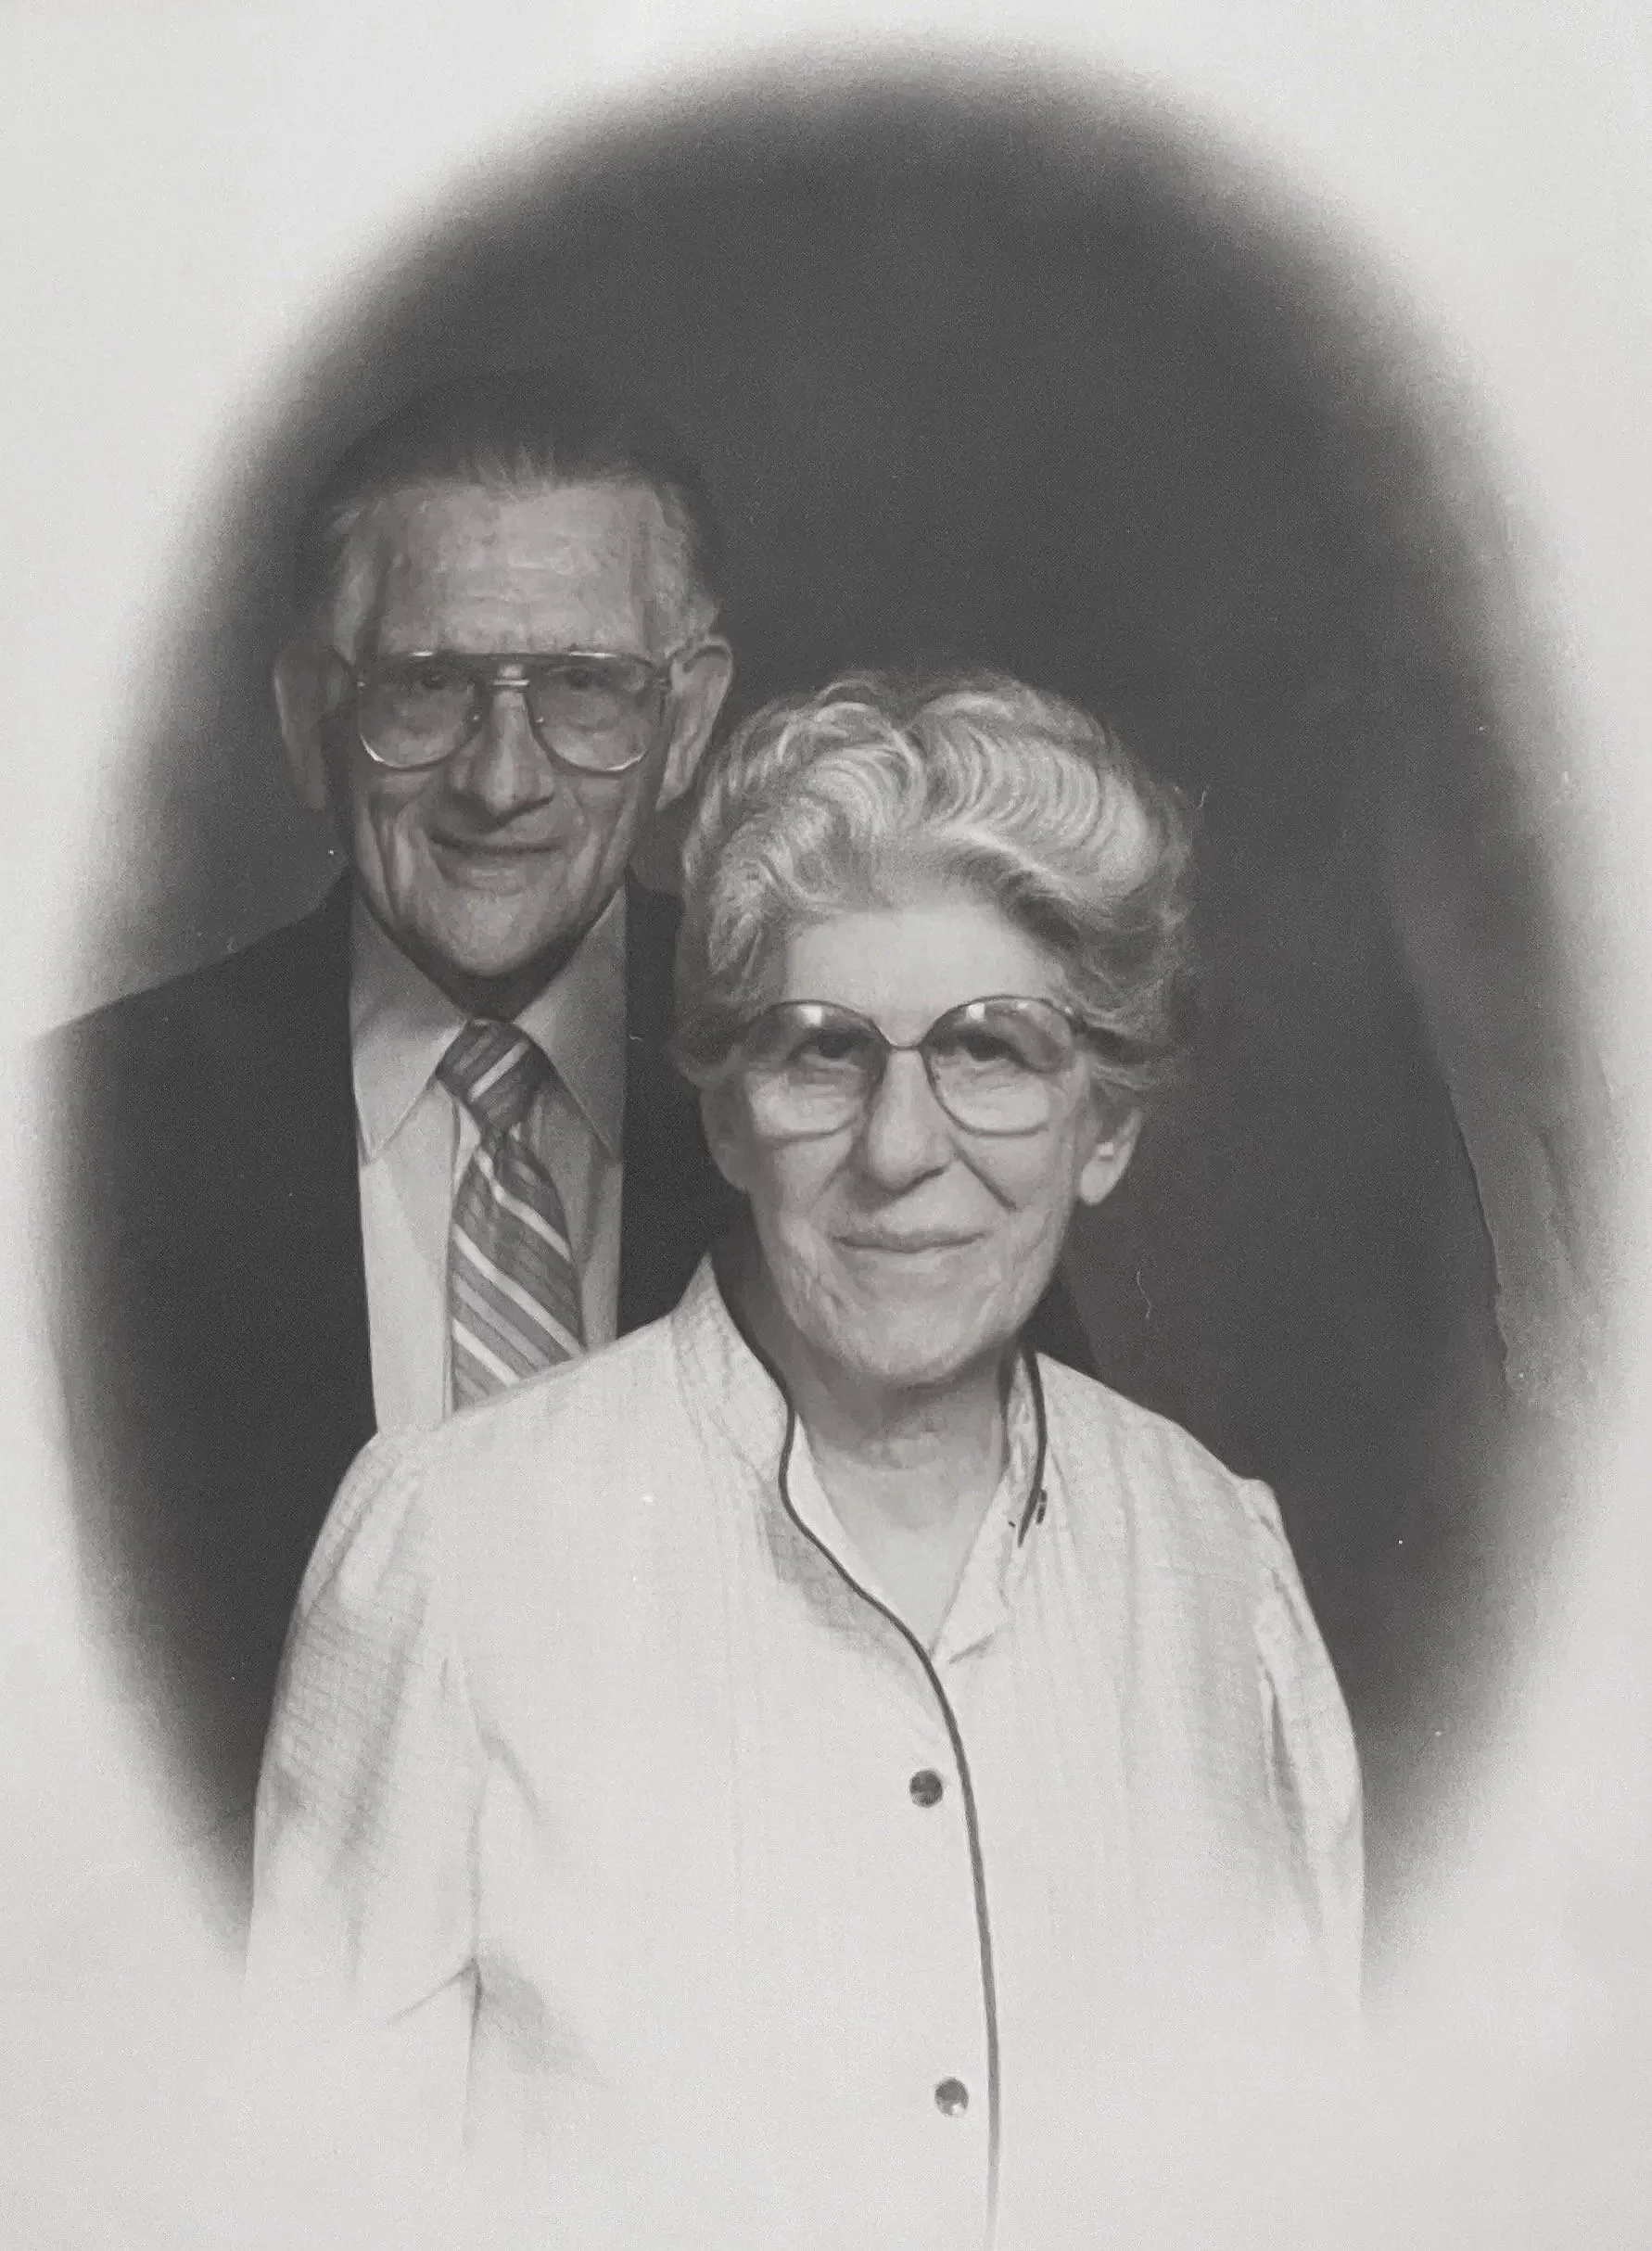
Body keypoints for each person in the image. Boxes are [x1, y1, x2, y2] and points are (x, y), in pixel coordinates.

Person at [249, 672, 1362, 2245]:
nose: (900, 1149)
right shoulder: (453, 1552)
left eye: (992, 1051)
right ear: (725, 1116)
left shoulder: (1214, 1561)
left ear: (1102, 1126)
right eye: (822, 1054)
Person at [44, 371, 1095, 1876]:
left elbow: (1045, 1645)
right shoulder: (70, 1145)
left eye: (586, 688)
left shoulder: (867, 1090)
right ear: (308, 715)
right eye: (425, 685)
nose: (502, 777)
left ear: (688, 720)